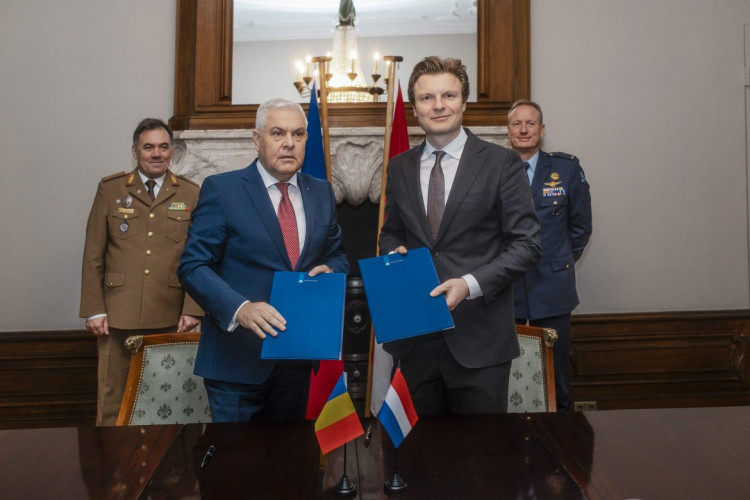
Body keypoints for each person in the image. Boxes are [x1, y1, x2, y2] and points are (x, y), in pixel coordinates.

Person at [378, 56, 542, 415]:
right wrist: (394, 254)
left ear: (464, 103)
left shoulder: (501, 163)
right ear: (415, 109)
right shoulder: (400, 167)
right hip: (416, 342)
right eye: (427, 98)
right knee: (418, 448)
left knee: (480, 451)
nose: (438, 105)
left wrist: (469, 284)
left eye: (448, 95)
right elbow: (390, 233)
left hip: (480, 342)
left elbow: (527, 245)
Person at [178, 98, 349, 422]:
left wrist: (331, 270)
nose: (289, 143)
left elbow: (337, 254)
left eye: (298, 134)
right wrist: (240, 309)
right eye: (278, 133)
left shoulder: (321, 192)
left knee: (289, 454)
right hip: (236, 362)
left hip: (297, 359)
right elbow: (192, 266)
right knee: (236, 456)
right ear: (257, 139)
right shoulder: (222, 190)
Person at [80, 118, 202, 426]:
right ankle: (109, 456)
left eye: (163, 147)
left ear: (171, 151)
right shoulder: (111, 189)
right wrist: (94, 309)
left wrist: (193, 308)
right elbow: (93, 253)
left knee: (167, 399)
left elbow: (199, 257)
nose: (157, 154)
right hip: (117, 314)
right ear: (135, 151)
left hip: (170, 314)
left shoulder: (190, 194)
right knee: (112, 399)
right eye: (149, 147)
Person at [508, 100, 593, 412]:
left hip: (552, 288)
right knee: (508, 379)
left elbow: (580, 227)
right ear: (508, 131)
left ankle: (562, 440)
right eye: (517, 124)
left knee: (557, 381)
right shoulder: (494, 169)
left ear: (542, 129)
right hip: (507, 289)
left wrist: (560, 260)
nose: (524, 130)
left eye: (530, 123)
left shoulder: (565, 169)